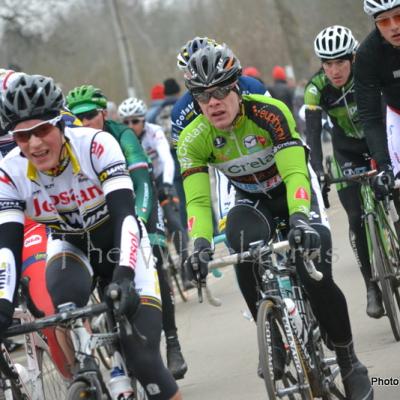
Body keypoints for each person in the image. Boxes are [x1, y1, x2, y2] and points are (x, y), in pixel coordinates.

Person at [177, 44, 373, 400]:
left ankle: (349, 362)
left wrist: (300, 218)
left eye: (221, 90)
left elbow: (296, 172)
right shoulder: (192, 138)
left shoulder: (269, 113)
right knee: (241, 249)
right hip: (250, 199)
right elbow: (198, 199)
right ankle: (274, 339)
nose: (213, 102)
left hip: (291, 189)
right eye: (203, 95)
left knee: (314, 269)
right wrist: (201, 242)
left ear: (237, 87)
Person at [0, 73, 181, 400]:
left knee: (144, 361)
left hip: (119, 243)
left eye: (42, 130)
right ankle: (89, 375)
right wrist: (2, 303)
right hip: (70, 247)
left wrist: (125, 275)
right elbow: (7, 246)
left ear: (62, 124)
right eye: (23, 136)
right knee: (66, 307)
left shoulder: (96, 145)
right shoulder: (10, 171)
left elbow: (126, 216)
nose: (35, 144)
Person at [66, 85, 188, 379]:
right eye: (77, 118)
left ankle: (171, 342)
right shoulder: (69, 143)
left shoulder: (123, 135)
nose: (84, 124)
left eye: (91, 116)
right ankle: (118, 343)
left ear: (104, 114)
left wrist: (141, 225)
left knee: (153, 259)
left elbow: (143, 184)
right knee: (102, 269)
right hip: (101, 217)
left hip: (138, 202)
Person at [305, 25, 384, 319]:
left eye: (340, 62)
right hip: (346, 152)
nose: (334, 70)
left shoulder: (367, 72)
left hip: (379, 143)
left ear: (352, 58)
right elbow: (312, 134)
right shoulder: (316, 89)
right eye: (327, 64)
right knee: (355, 218)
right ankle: (371, 287)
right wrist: (315, 170)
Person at [171, 37, 270, 230]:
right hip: (223, 158)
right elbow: (185, 155)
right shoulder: (181, 110)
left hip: (260, 148)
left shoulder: (251, 85)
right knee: (231, 223)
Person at [355, 0, 400, 195]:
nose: (394, 26)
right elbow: (370, 117)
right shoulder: (367, 54)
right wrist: (383, 165)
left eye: (399, 16)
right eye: (383, 21)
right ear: (375, 24)